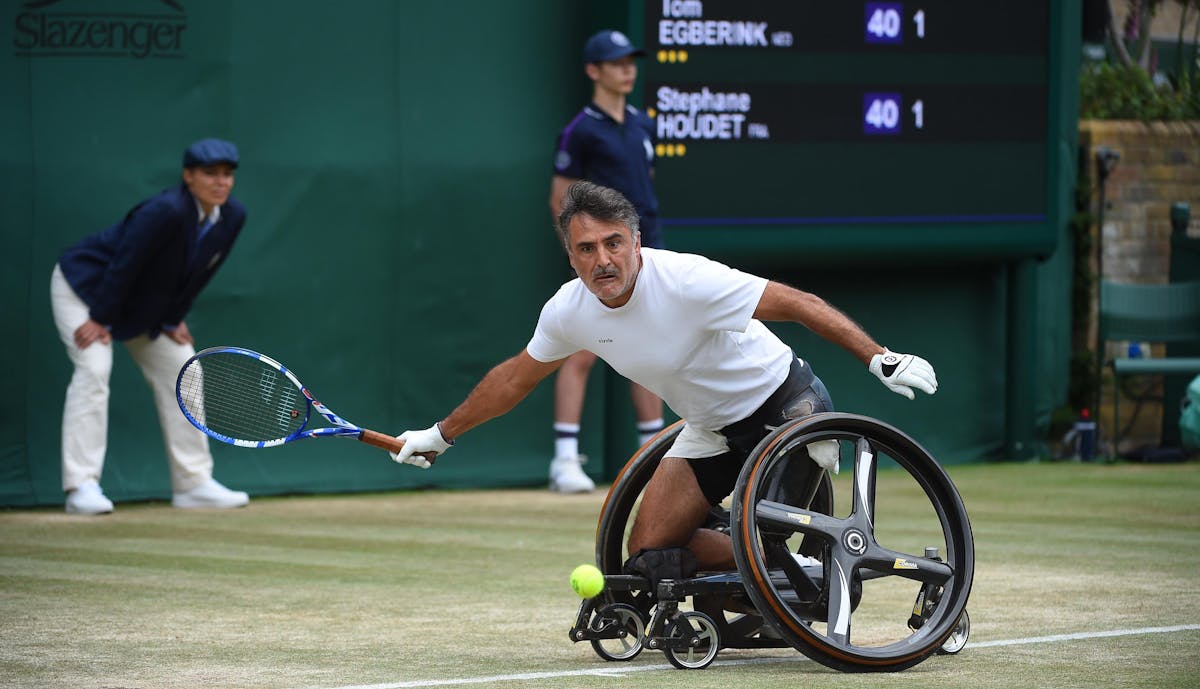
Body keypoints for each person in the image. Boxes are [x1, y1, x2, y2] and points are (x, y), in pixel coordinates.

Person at [389, 181, 937, 578]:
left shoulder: (688, 280)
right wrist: (439, 435)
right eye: (586, 249)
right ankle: (777, 560)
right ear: (570, 255)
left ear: (635, 239)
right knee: (647, 553)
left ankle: (785, 554)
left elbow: (800, 304)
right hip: (709, 429)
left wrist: (878, 357)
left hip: (786, 411)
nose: (602, 260)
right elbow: (513, 380)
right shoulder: (567, 311)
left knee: (754, 540)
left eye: (612, 243)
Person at [50, 138, 251, 515]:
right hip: (87, 291)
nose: (221, 182)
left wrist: (173, 319)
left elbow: (197, 274)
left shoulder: (232, 216)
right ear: (188, 176)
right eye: (211, 174)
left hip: (143, 306)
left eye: (227, 175)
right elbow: (125, 263)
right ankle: (81, 486)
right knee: (94, 369)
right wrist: (102, 317)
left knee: (185, 370)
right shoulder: (164, 211)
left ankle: (193, 485)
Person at [547, 29, 664, 493]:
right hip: (599, 258)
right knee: (582, 350)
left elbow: (647, 183)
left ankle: (655, 455)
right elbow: (561, 198)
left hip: (648, 251)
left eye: (630, 61)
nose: (627, 69)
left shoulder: (643, 124)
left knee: (655, 348)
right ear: (594, 71)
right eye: (616, 63)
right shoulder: (581, 130)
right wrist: (584, 258)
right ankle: (564, 461)